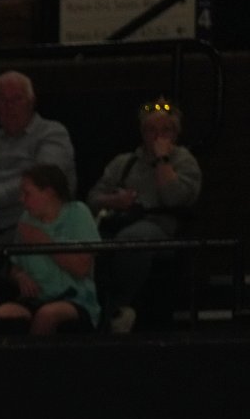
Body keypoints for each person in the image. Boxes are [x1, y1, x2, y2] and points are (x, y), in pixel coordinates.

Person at [86, 97, 202, 333]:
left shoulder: (185, 162)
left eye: (165, 130)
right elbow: (92, 198)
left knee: (133, 239)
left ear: (176, 133)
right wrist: (115, 200)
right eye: (151, 129)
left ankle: (120, 305)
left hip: (160, 228)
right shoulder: (124, 163)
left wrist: (162, 160)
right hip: (118, 222)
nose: (158, 135)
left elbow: (175, 198)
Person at [0, 71, 76, 240]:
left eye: (17, 99)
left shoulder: (52, 134)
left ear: (31, 102)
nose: (9, 106)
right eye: (2, 100)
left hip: (41, 227)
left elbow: (45, 180)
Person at [0, 164, 100, 335]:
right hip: (35, 299)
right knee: (1, 313)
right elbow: (14, 266)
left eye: (27, 193)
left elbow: (82, 268)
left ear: (49, 192)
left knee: (47, 315)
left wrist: (42, 241)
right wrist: (20, 276)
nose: (21, 199)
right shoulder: (26, 220)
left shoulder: (77, 213)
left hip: (74, 299)